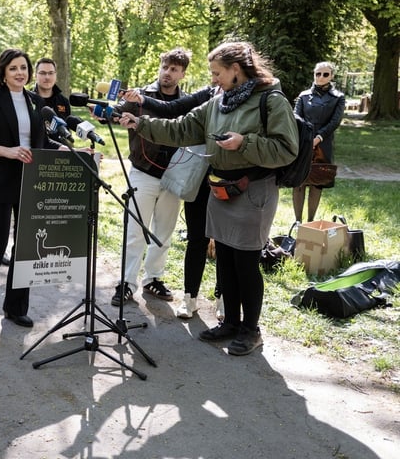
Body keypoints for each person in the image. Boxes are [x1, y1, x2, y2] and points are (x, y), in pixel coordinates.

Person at [118, 41, 298, 356]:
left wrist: (245, 143)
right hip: (221, 190)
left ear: (236, 70)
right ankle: (230, 324)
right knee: (225, 260)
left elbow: (286, 149)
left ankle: (250, 329)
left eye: (217, 73)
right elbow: (180, 128)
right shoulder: (219, 100)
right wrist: (141, 123)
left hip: (253, 192)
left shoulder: (271, 100)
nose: (212, 79)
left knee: (246, 263)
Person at [0, 48, 64, 338]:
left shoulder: (35, 101)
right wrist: (7, 151)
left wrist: (73, 151)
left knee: (25, 248)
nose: (20, 73)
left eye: (23, 68)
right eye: (13, 69)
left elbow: (41, 140)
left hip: (29, 182)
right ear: (3, 72)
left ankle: (16, 307)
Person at [122, 85, 223, 319]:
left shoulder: (252, 100)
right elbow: (173, 113)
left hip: (230, 179)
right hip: (194, 176)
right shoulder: (208, 95)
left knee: (225, 245)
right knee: (196, 238)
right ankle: (190, 298)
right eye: (213, 74)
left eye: (219, 73)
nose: (215, 79)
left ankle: (223, 300)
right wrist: (141, 103)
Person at [110, 48, 191, 307]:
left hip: (173, 177)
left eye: (174, 69)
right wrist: (109, 113)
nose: (168, 72)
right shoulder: (139, 95)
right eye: (165, 67)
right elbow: (114, 113)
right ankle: (126, 282)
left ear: (182, 74)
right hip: (143, 173)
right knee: (135, 230)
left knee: (164, 232)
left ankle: (153, 278)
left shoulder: (188, 101)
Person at [293, 61, 345, 222]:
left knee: (317, 181)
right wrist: (307, 137)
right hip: (303, 142)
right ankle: (297, 222)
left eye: (325, 74)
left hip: (323, 144)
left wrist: (319, 137)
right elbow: (296, 116)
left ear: (331, 76)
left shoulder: (338, 97)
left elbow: (335, 121)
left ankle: (310, 222)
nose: (321, 77)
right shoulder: (303, 95)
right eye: (318, 74)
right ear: (314, 74)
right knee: (298, 181)